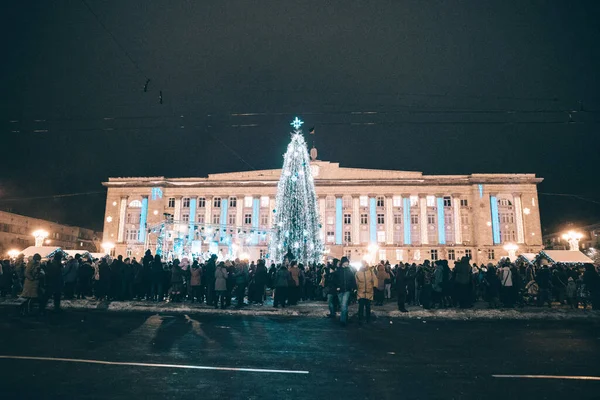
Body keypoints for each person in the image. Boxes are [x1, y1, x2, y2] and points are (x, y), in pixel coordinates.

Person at [335, 257, 356, 326]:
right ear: (343, 262)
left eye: (347, 263)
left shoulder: (349, 270)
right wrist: (337, 287)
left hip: (347, 290)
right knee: (343, 305)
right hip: (339, 290)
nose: (347, 264)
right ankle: (346, 318)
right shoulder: (338, 270)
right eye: (346, 262)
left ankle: (342, 321)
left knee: (343, 305)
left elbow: (353, 279)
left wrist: (354, 287)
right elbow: (335, 280)